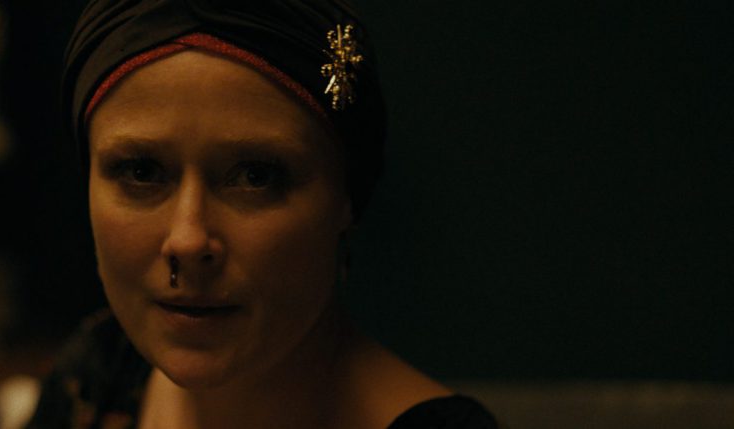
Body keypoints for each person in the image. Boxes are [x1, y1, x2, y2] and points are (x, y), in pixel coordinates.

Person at [27, 1, 499, 428]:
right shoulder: (99, 373)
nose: (188, 241)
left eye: (255, 176)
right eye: (141, 171)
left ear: (346, 197)